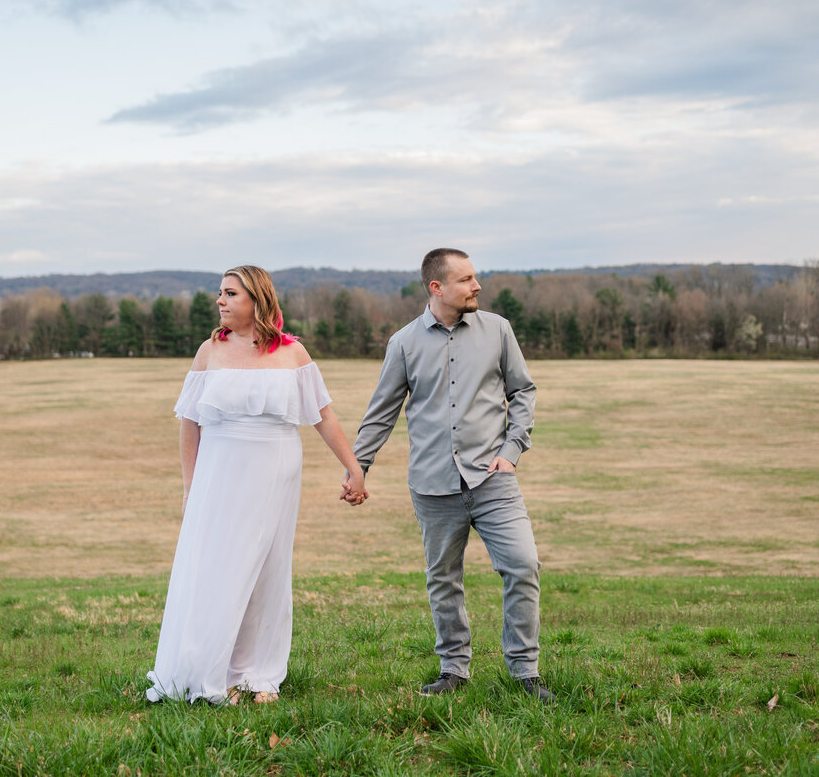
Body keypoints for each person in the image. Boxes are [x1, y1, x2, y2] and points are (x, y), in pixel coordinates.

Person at [146, 265, 367, 706]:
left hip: (276, 471)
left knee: (267, 571)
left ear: (256, 300)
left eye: (230, 293)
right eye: (220, 293)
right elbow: (189, 423)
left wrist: (354, 468)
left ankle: (259, 675)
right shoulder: (209, 350)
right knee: (219, 568)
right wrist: (190, 487)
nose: (220, 301)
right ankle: (215, 670)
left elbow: (324, 415)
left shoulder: (293, 353)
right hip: (220, 470)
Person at [347, 248, 554, 702]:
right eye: (466, 280)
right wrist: (358, 468)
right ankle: (453, 670)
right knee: (443, 577)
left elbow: (523, 391)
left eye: (475, 277)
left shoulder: (498, 329)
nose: (476, 286)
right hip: (432, 484)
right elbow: (381, 413)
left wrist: (512, 450)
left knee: (522, 564)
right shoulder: (403, 343)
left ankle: (524, 672)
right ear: (436, 287)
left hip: (493, 476)